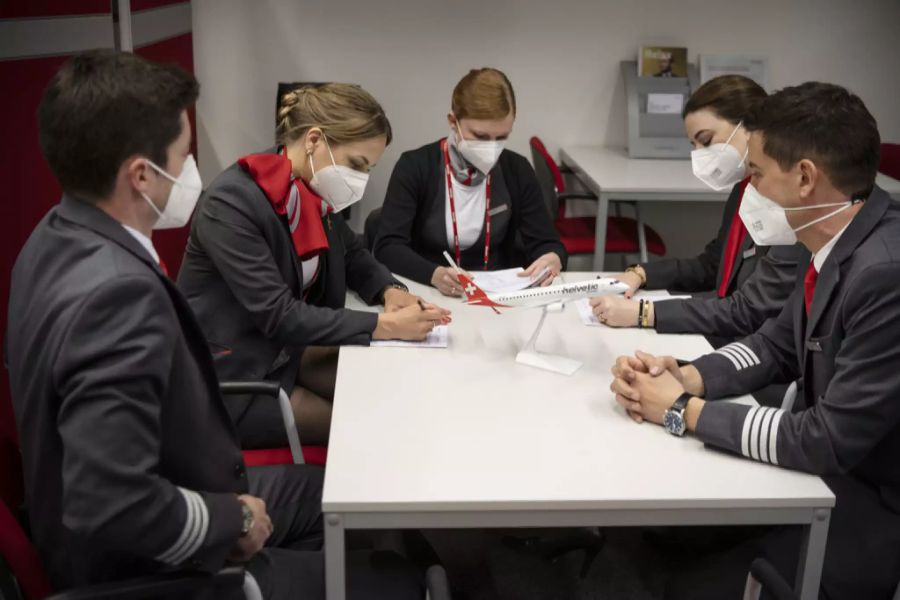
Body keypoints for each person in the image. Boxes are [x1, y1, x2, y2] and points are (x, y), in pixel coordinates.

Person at [7, 50, 421, 600]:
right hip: (149, 570)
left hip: (181, 480)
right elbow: (108, 502)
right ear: (140, 175)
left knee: (340, 493)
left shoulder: (52, 239)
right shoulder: (114, 296)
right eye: (184, 156)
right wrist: (234, 523)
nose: (192, 173)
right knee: (401, 577)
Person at [609, 82, 900, 599]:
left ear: (805, 178)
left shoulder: (883, 272)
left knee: (684, 584)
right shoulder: (839, 236)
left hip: (872, 501)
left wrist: (681, 409)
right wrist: (686, 374)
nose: (750, 188)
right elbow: (774, 345)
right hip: (831, 476)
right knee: (655, 539)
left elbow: (825, 438)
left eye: (758, 174)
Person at [177, 84, 449, 448]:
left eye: (368, 168)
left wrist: (390, 291)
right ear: (314, 140)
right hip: (234, 379)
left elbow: (352, 253)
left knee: (397, 396)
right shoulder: (231, 203)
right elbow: (279, 314)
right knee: (373, 427)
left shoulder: (306, 189)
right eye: (356, 164)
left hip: (287, 354)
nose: (361, 180)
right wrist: (382, 325)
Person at [592, 75, 803, 350]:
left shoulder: (786, 202)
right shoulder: (744, 189)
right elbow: (713, 265)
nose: (700, 155)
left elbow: (749, 310)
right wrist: (641, 272)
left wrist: (645, 313)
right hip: (728, 336)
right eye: (694, 145)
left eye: (706, 140)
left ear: (750, 125)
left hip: (756, 351)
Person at [373, 68, 566, 297]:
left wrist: (553, 258)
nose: (492, 148)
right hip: (430, 292)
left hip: (497, 296)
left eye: (502, 137)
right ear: (453, 122)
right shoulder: (415, 167)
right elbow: (387, 247)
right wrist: (434, 274)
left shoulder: (517, 170)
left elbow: (548, 243)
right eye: (480, 136)